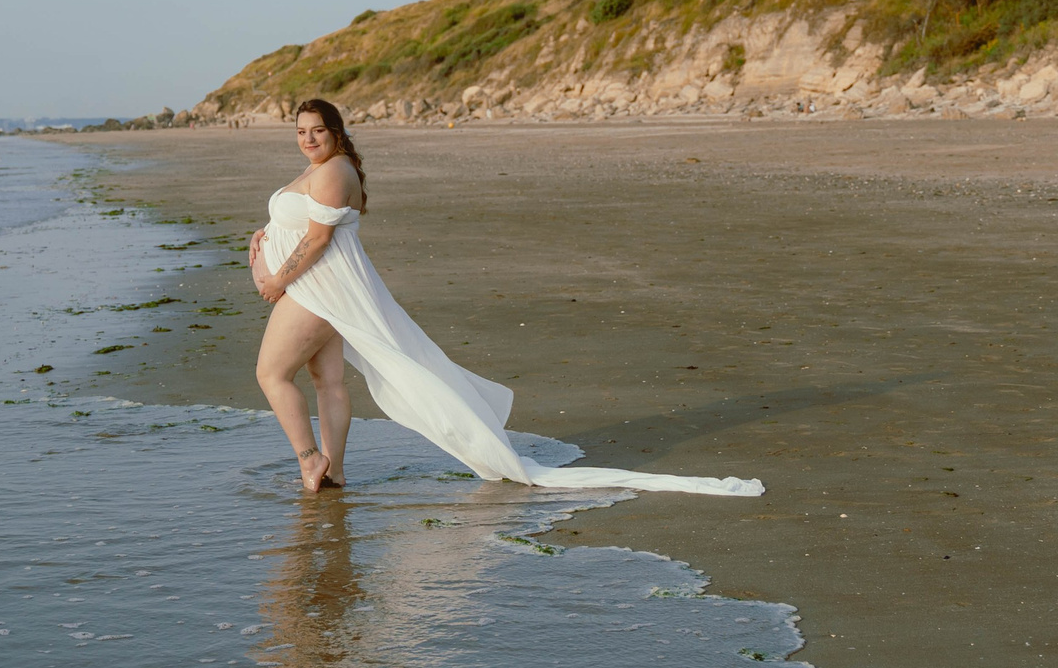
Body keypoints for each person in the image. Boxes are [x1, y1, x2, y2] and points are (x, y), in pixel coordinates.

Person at [250, 98, 762, 499]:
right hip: (324, 286)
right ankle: (335, 472)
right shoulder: (322, 169)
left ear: (336, 132)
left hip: (319, 288)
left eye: (317, 130)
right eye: (300, 131)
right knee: (328, 380)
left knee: (271, 374)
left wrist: (275, 280)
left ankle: (310, 460)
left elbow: (318, 240)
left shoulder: (334, 170)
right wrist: (265, 238)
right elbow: (306, 227)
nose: (308, 139)